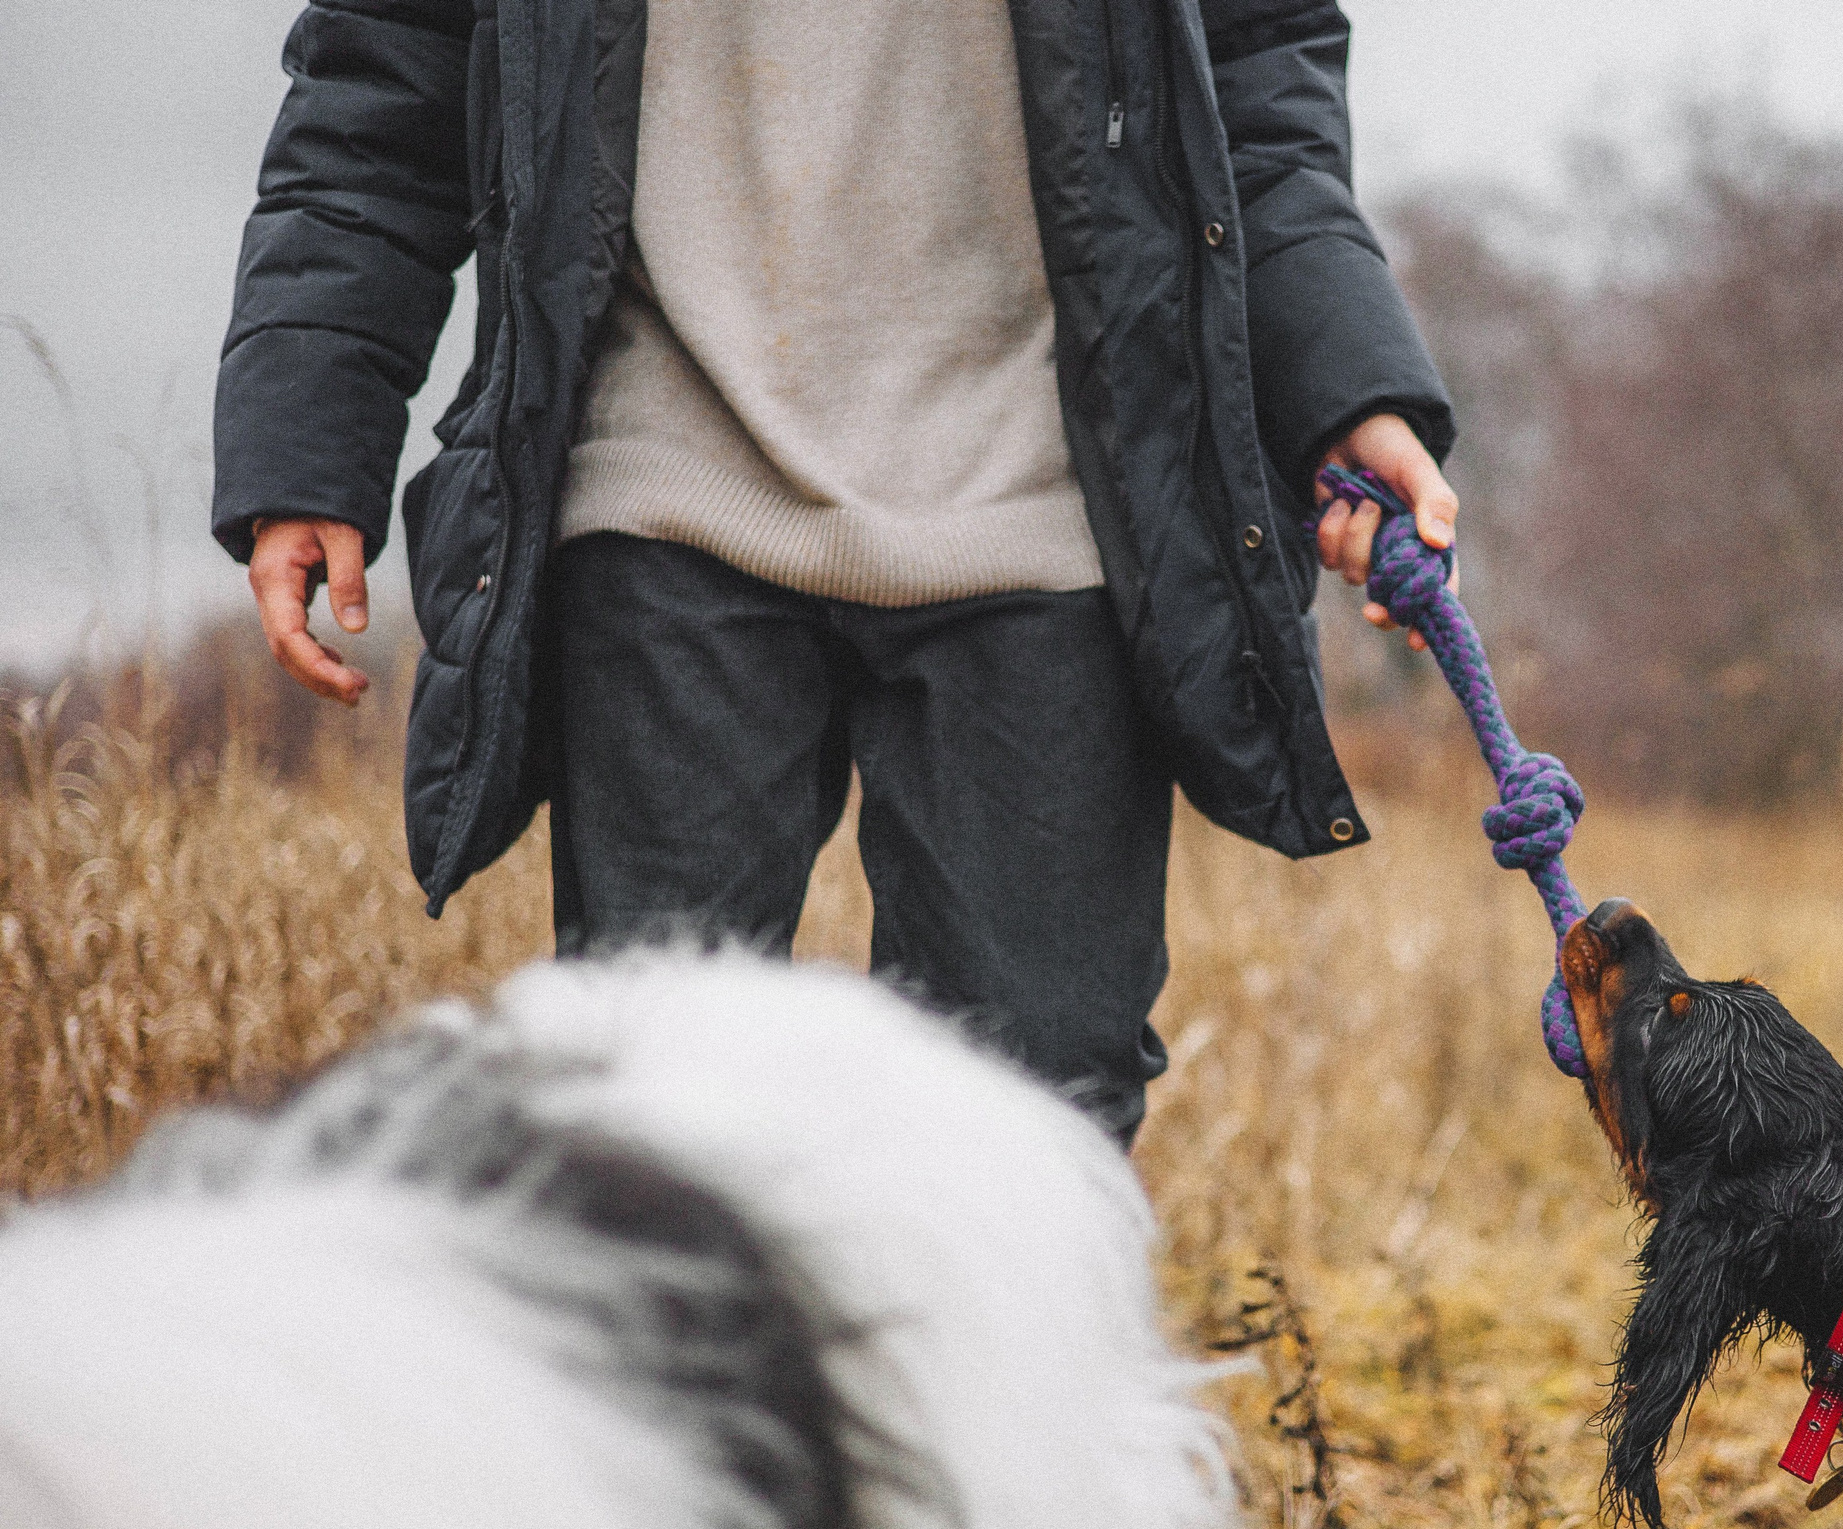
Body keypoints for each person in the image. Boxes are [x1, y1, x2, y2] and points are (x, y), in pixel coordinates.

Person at [214, 0, 1458, 1145]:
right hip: (664, 475)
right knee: (652, 1121)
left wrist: (1345, 390)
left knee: (1033, 1128)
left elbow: (1250, 92)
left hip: (1048, 498)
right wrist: (306, 442)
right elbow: (381, 89)